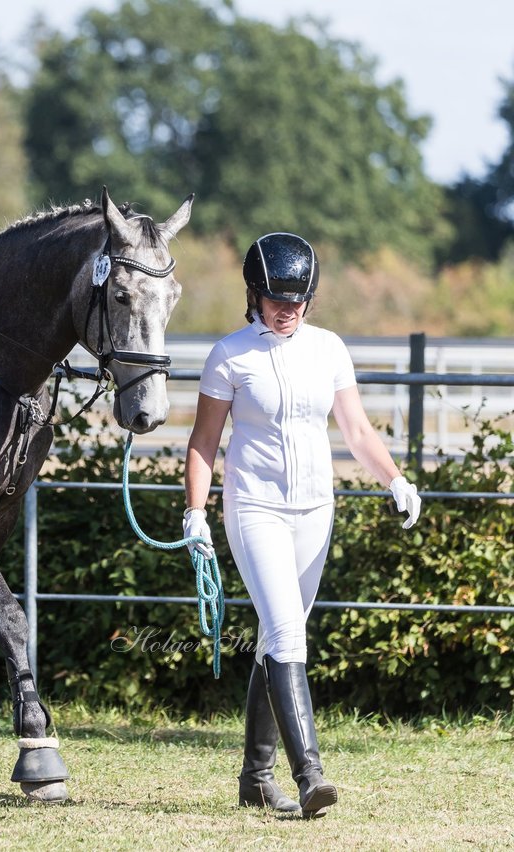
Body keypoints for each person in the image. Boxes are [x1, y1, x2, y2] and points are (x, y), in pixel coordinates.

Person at [182, 232, 422, 819]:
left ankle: (255, 780)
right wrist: (195, 512)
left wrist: (395, 478)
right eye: (273, 299)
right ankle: (309, 773)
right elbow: (203, 443)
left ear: (310, 298)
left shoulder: (329, 349)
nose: (285, 310)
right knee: (289, 634)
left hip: (315, 509)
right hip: (254, 506)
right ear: (254, 295)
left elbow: (358, 431)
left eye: (295, 300)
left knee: (274, 637)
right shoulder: (230, 354)